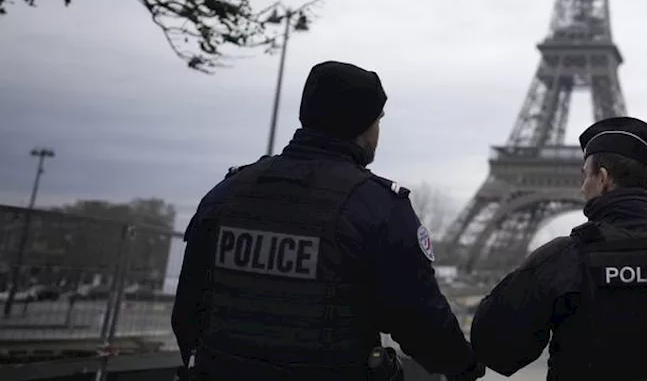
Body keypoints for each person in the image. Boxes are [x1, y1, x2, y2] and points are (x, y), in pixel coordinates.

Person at [171, 60, 485, 381]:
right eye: (378, 121)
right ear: (364, 126)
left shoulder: (226, 193)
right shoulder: (377, 207)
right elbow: (419, 319)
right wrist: (464, 365)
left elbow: (188, 310)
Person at [469, 116, 647, 380]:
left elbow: (496, 348)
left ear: (603, 178)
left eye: (585, 174)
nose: (582, 186)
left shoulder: (563, 259)